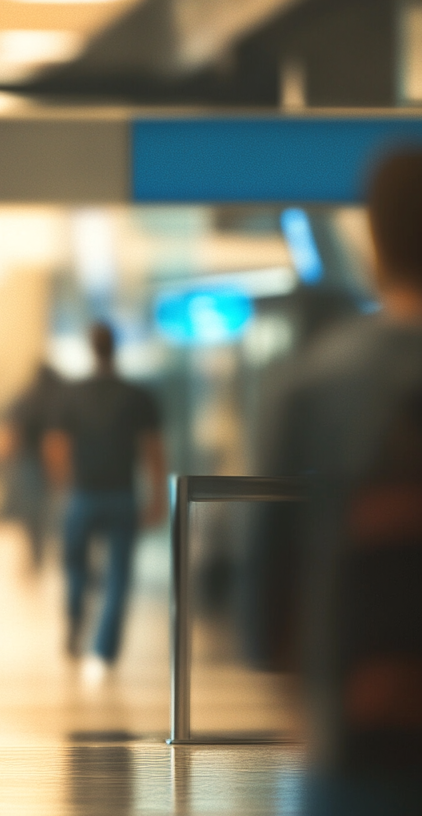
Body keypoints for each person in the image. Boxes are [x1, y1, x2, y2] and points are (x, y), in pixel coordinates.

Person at [249, 150, 422, 815]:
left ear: (375, 242)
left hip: (356, 731)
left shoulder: (315, 386)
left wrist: (306, 705)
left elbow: (270, 585)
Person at [44, 323, 166, 677]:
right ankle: (106, 649)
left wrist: (66, 486)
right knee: (119, 576)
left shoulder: (72, 395)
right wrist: (157, 496)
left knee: (76, 570)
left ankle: (75, 629)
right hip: (122, 495)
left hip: (83, 494)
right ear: (116, 348)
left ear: (91, 348)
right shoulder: (137, 396)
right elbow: (153, 451)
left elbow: (55, 448)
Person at [6, 364, 62, 566]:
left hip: (29, 462)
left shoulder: (26, 399)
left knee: (32, 515)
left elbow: (15, 433)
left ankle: (35, 557)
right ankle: (52, 556)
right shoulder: (59, 401)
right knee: (53, 511)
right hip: (56, 461)